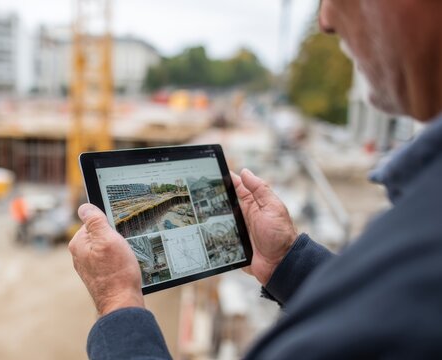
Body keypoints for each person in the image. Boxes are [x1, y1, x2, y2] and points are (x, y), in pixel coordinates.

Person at [68, 1, 442, 359]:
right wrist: (285, 261)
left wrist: (118, 301)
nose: (326, 20)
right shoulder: (422, 231)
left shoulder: (422, 241)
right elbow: (374, 316)